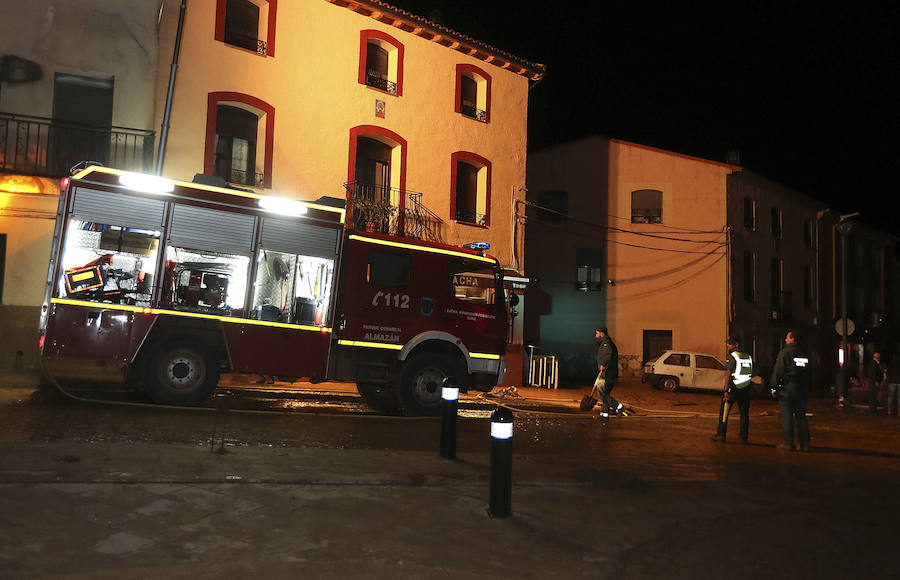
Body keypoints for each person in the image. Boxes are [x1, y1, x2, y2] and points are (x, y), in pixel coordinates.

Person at [770, 330, 813, 451]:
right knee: (801, 416)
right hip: (802, 388)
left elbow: (778, 371)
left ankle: (788, 443)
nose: (785, 340)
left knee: (787, 415)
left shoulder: (785, 353)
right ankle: (805, 444)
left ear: (792, 339)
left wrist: (774, 388)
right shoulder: (805, 353)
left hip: (788, 388)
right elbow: (810, 372)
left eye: (787, 338)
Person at [711, 335, 753, 444]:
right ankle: (743, 438)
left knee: (724, 411)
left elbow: (728, 373)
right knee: (744, 414)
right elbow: (752, 372)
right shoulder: (748, 356)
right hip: (745, 389)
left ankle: (721, 434)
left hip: (733, 388)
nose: (727, 345)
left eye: (730, 343)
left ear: (736, 344)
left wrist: (726, 390)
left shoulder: (732, 356)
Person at [593, 327, 623, 418]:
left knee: (601, 392)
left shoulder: (606, 344)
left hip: (607, 374)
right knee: (604, 393)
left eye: (597, 333)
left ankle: (618, 406)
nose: (595, 336)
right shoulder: (605, 343)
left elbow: (608, 355)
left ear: (602, 334)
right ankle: (604, 413)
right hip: (607, 373)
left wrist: (603, 364)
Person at [886, 351, 900, 417]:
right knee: (899, 398)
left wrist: (888, 381)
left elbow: (887, 374)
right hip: (899, 382)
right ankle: (899, 412)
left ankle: (889, 410)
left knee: (890, 397)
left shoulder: (890, 365)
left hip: (892, 382)